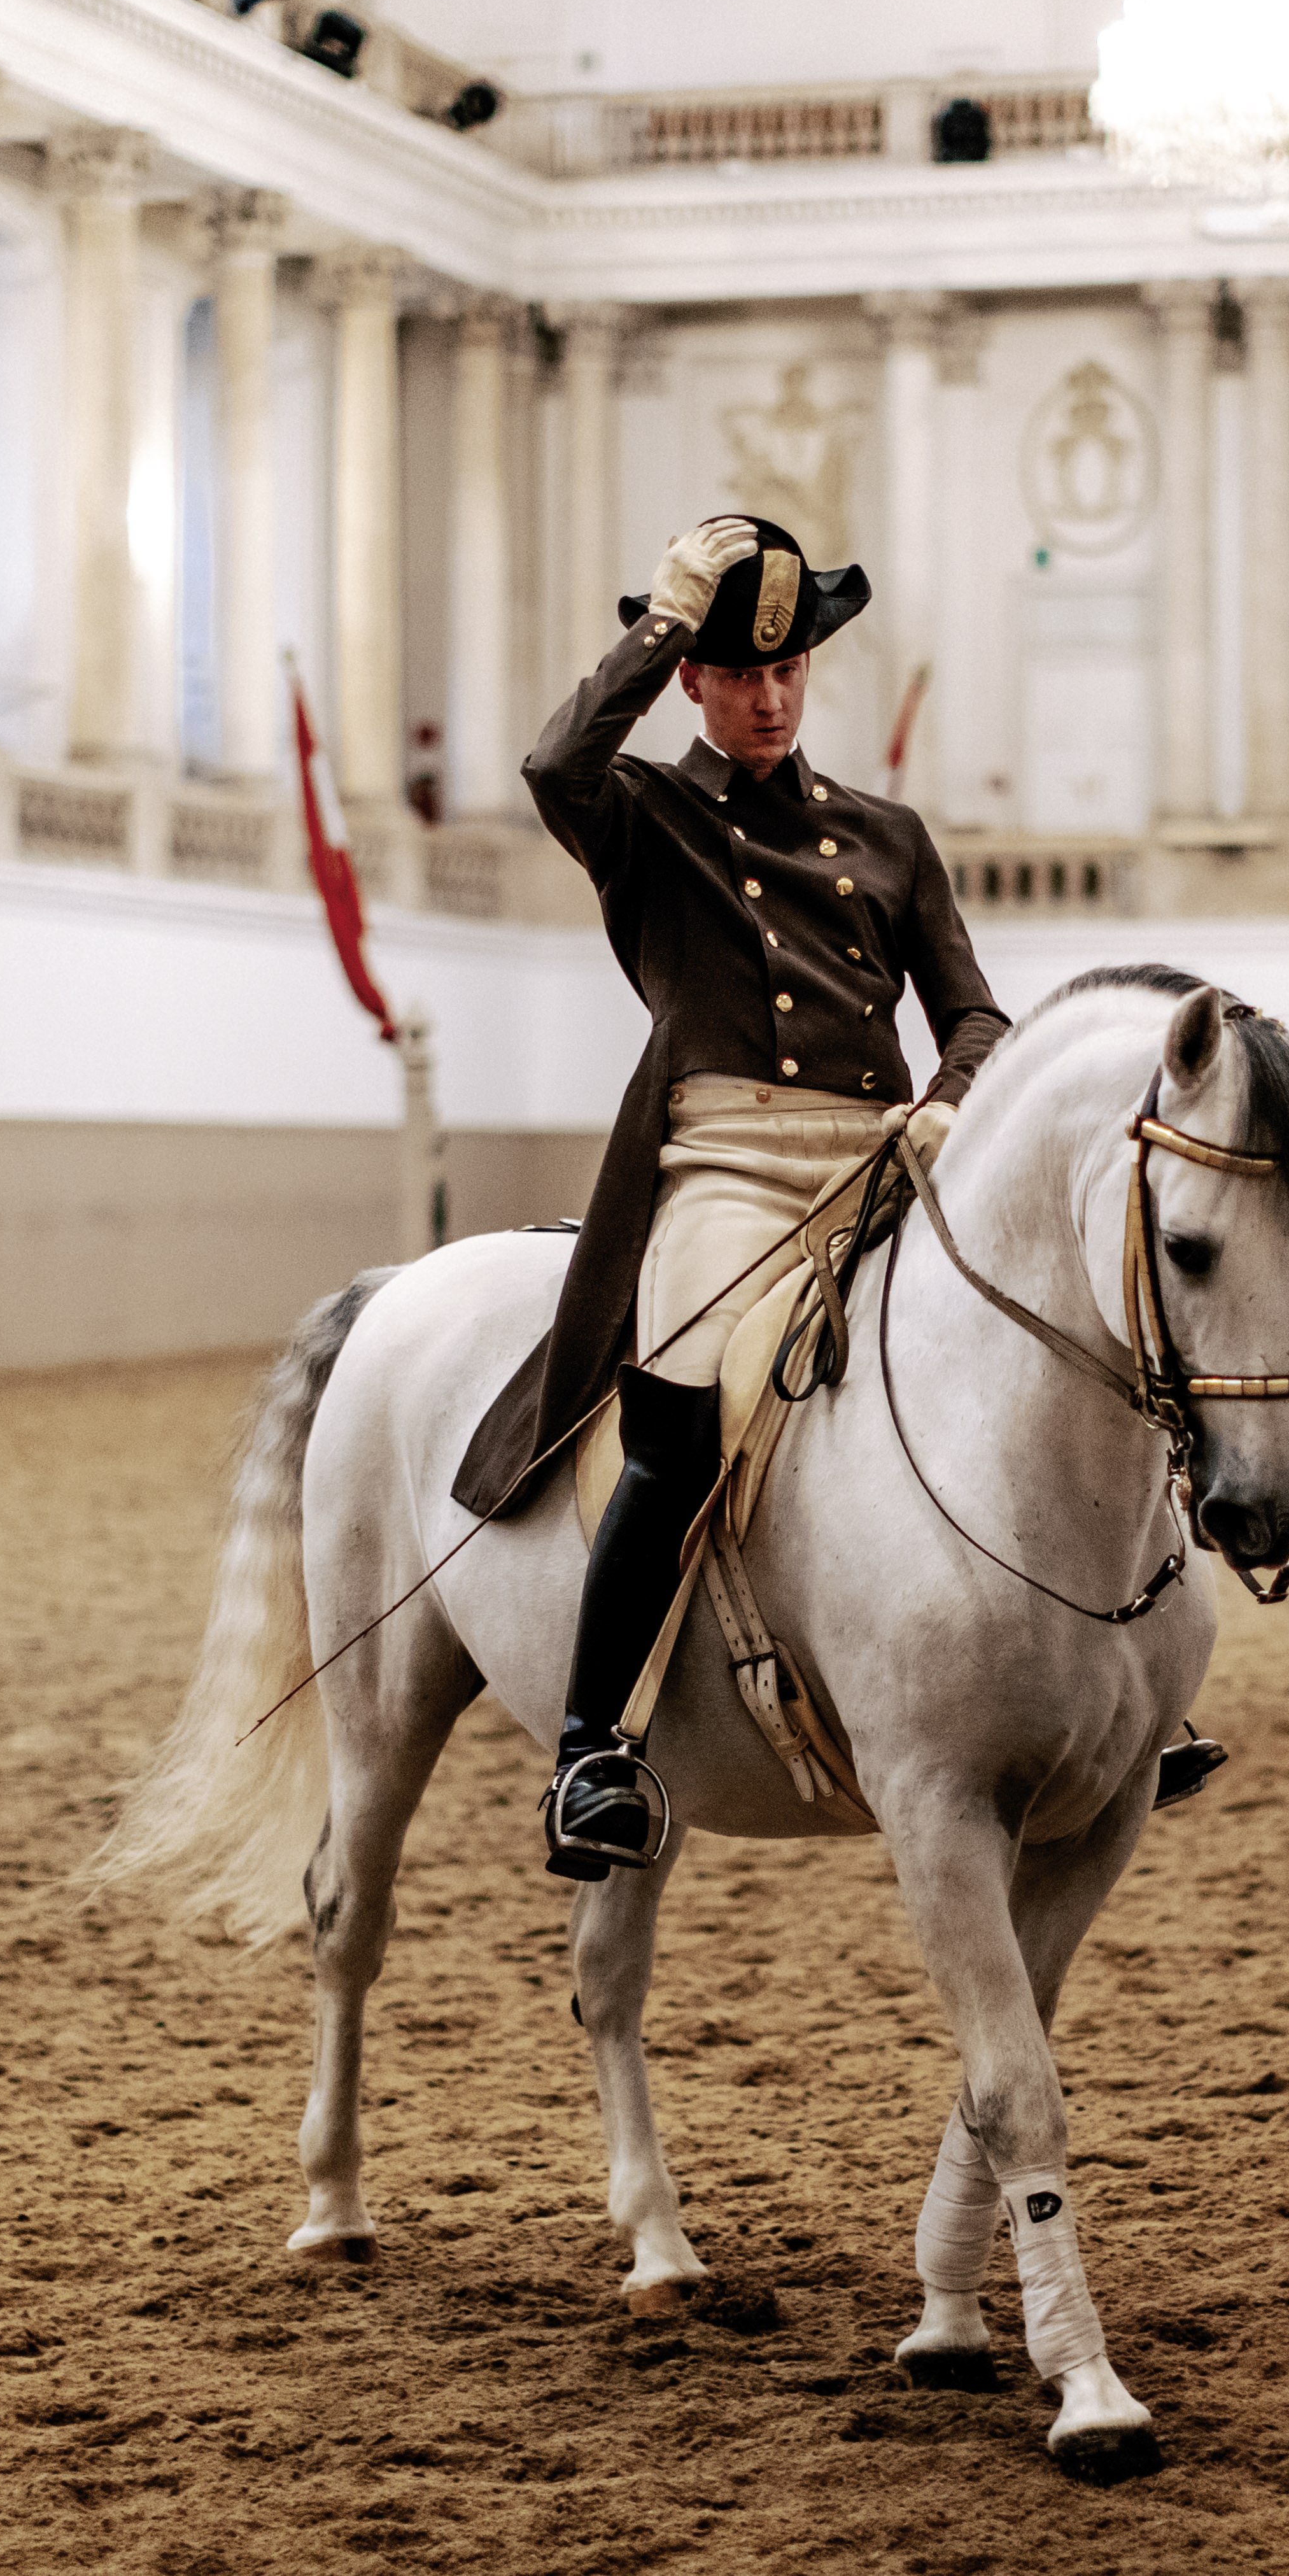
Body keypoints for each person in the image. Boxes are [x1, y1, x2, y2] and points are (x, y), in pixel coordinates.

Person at [449, 513, 1013, 1880]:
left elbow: (976, 1013)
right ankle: (596, 1743)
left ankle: (1104, 1685)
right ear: (693, 679)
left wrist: (947, 1100)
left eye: (789, 670)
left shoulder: (887, 833)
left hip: (885, 1158)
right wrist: (662, 616)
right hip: (729, 1169)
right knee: (688, 1406)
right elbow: (551, 759)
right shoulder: (643, 817)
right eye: (735, 670)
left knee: (1032, 1361)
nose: (767, 697)